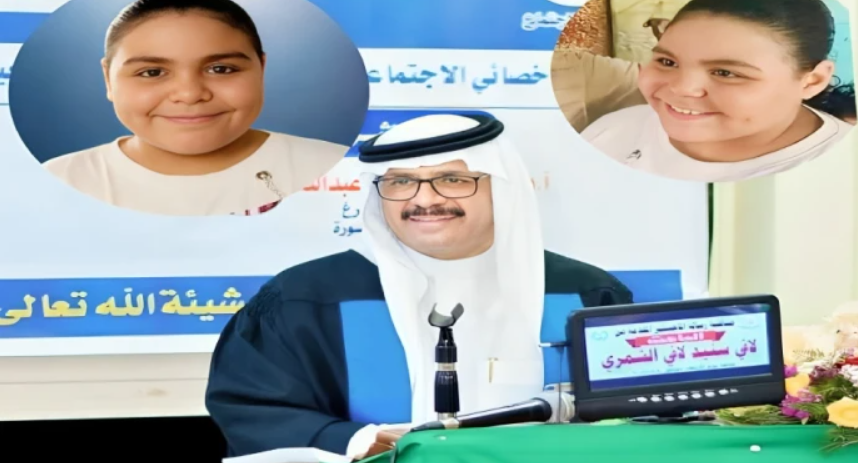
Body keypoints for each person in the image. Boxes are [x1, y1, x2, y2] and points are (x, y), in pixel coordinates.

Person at [204, 113, 634, 460]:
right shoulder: (305, 297)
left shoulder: (588, 293)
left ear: (502, 188)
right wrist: (352, 440)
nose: (424, 200)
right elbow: (252, 407)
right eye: (401, 182)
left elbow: (638, 410)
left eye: (453, 179)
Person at [43, 0, 348, 216]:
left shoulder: (339, 168)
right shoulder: (58, 180)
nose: (190, 95)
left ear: (261, 69)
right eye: (152, 72)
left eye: (221, 69)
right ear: (108, 79)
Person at [576, 0, 855, 182]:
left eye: (725, 73)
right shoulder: (614, 130)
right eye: (667, 62)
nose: (681, 88)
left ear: (812, 81)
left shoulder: (836, 177)